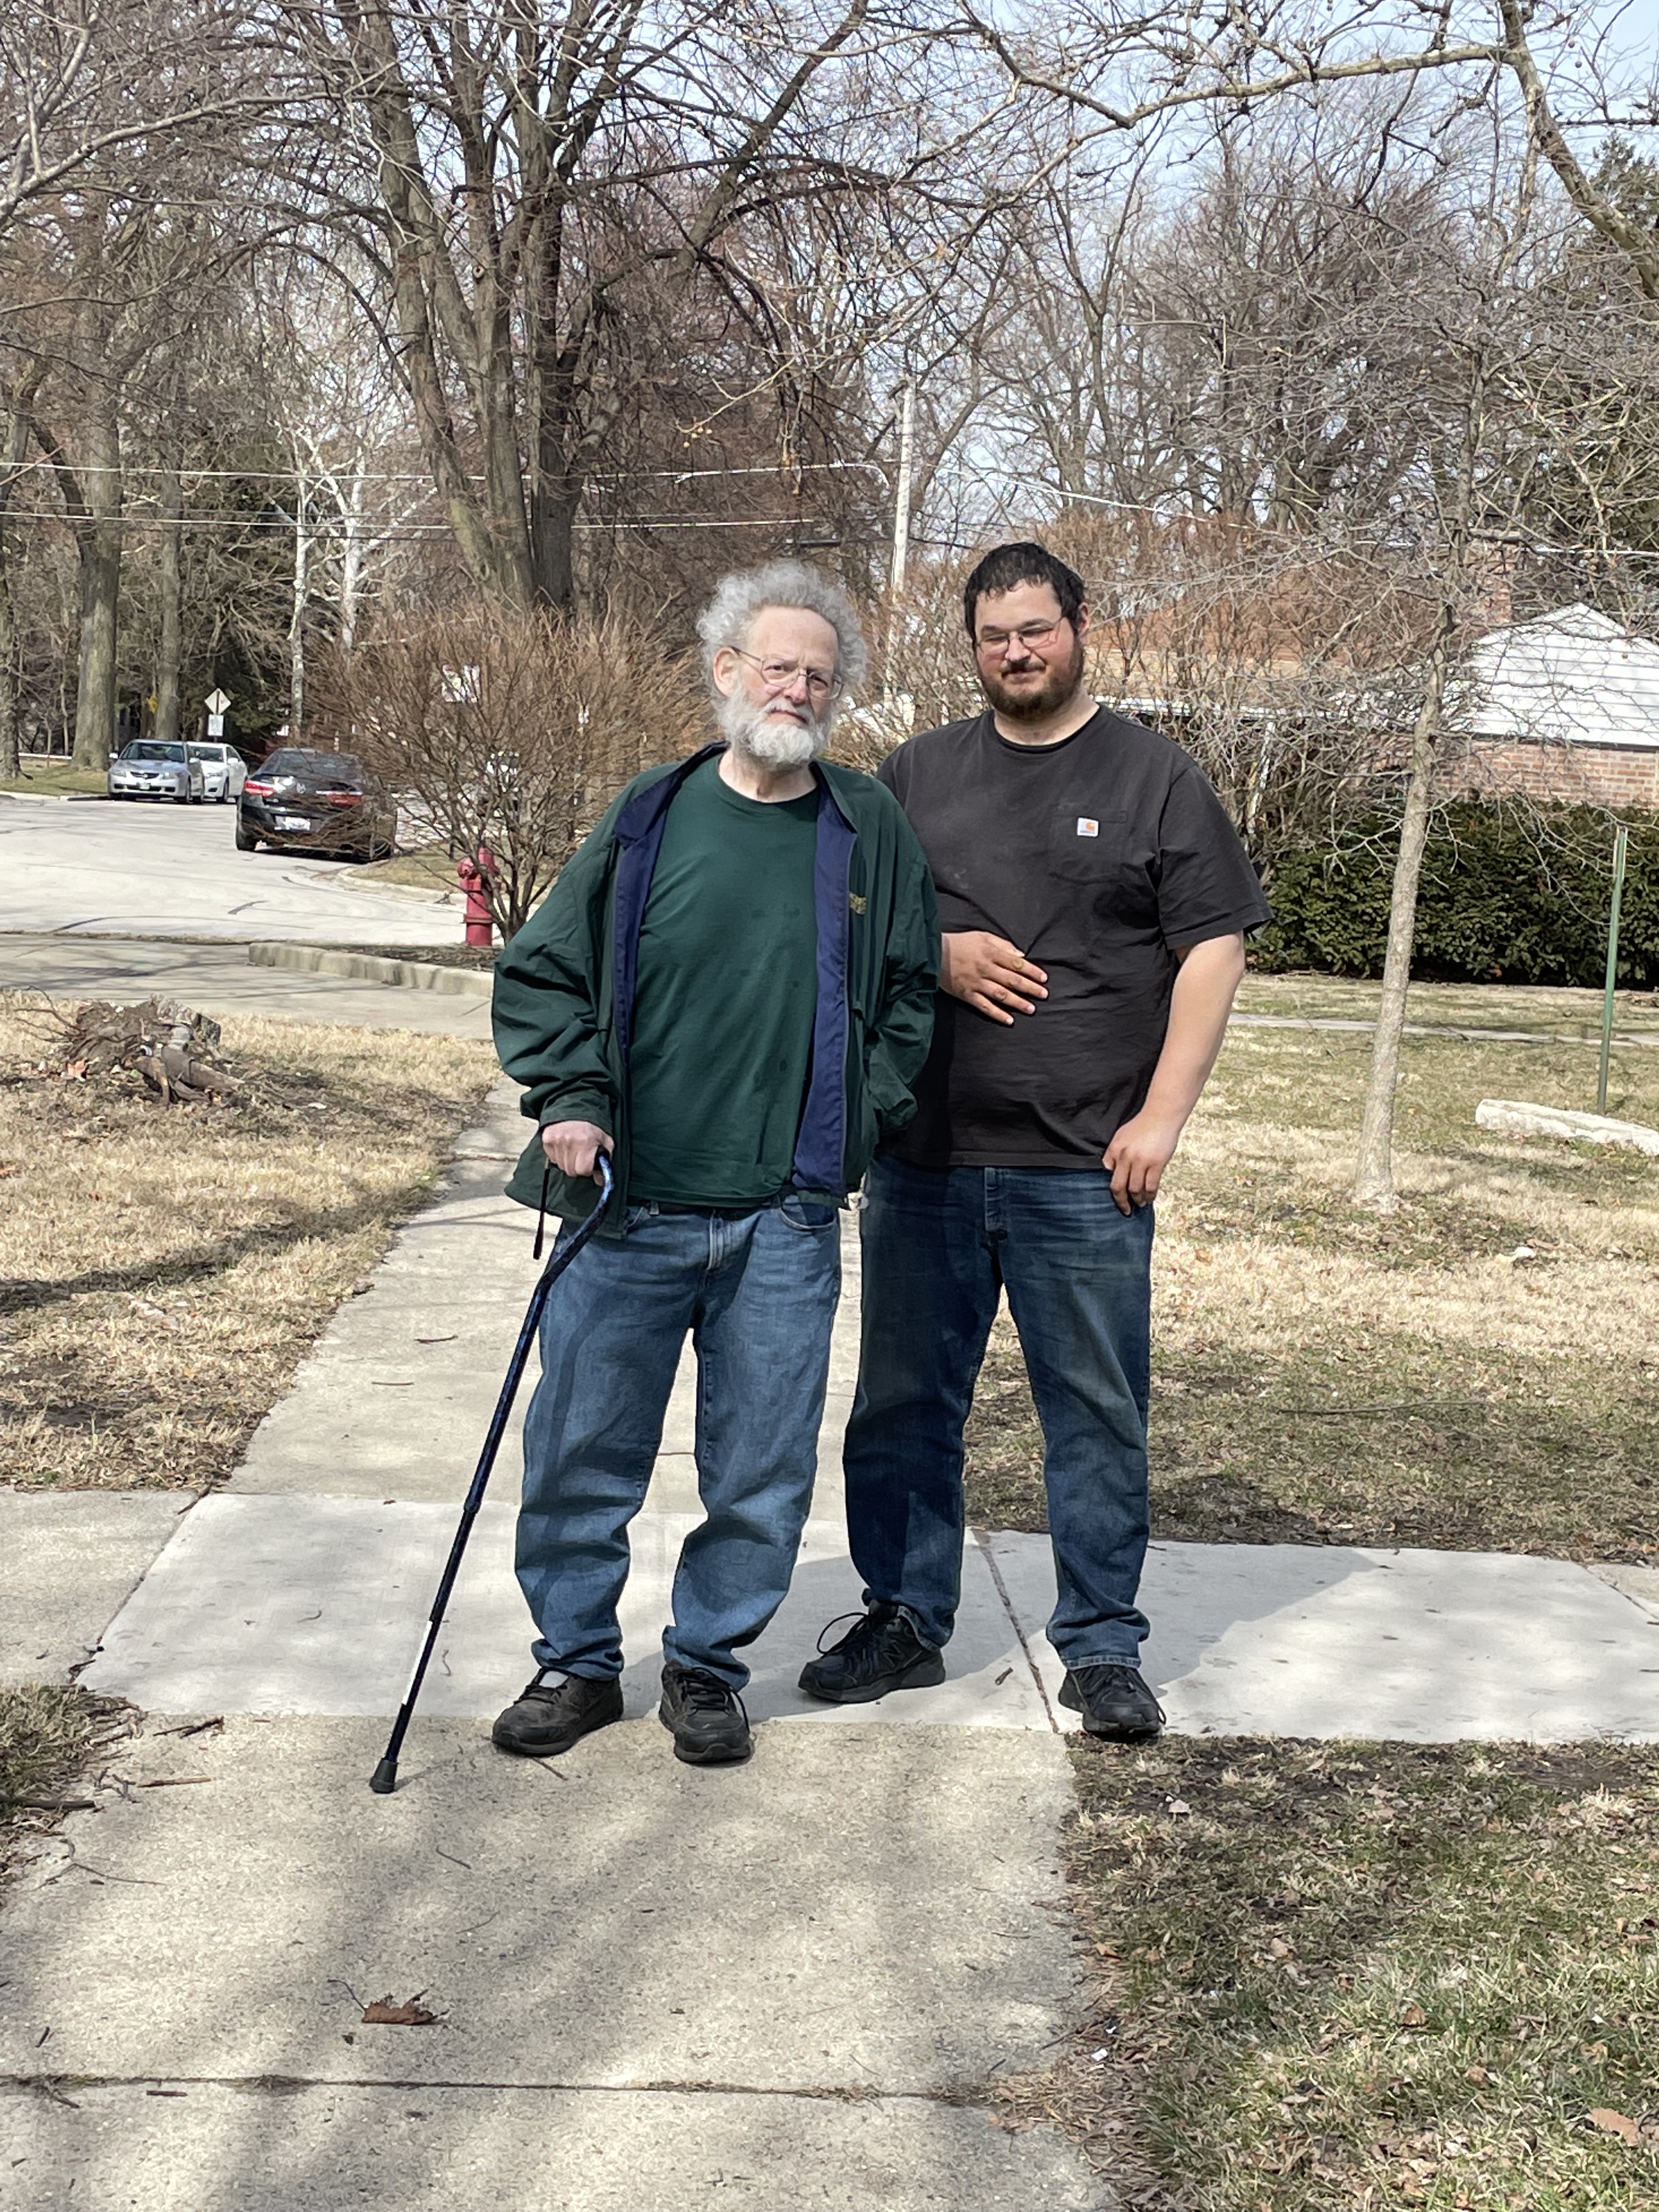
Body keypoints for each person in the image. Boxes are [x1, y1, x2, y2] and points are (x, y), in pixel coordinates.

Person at [800, 541, 1269, 1739]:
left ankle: (1103, 1646)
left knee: (1095, 1414)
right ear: (973, 647)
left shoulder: (1155, 777)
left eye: (1036, 630)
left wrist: (1163, 1117)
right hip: (927, 1160)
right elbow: (842, 921)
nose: (1017, 652)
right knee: (903, 1409)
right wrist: (936, 952)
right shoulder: (917, 775)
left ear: (1079, 626)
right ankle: (904, 1617)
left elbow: (1215, 947)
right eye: (995, 636)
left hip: (1086, 1169)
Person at [489, 562, 938, 1767]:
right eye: (778, 666)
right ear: (727, 670)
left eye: (820, 676)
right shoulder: (651, 812)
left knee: (760, 1471)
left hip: (785, 1219)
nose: (797, 690)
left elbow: (909, 996)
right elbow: (542, 969)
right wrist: (572, 1097)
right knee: (581, 1451)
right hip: (624, 1207)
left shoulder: (865, 827)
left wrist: (857, 1125)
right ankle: (576, 1663)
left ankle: (705, 1667)